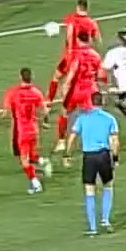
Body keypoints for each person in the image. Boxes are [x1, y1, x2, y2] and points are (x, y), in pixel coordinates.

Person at [0, 66, 50, 194]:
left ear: (20, 77)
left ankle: (36, 184)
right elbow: (45, 111)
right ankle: (42, 162)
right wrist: (46, 123)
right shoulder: (36, 92)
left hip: (22, 131)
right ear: (31, 77)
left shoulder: (13, 93)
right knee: (30, 156)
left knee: (24, 160)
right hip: (33, 130)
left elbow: (5, 113)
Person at [50, 33, 104, 164]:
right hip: (91, 88)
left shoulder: (77, 55)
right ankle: (97, 142)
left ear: (79, 41)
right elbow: (101, 74)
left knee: (64, 113)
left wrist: (65, 86)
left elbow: (72, 72)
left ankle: (62, 141)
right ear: (89, 40)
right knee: (95, 115)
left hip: (77, 89)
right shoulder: (96, 55)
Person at [72, 101, 121, 233]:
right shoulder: (109, 118)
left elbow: (72, 135)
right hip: (104, 156)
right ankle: (105, 219)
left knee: (89, 190)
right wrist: (115, 158)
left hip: (89, 157)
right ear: (103, 102)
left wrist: (67, 154)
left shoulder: (82, 118)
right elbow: (115, 141)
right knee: (108, 186)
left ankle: (93, 228)